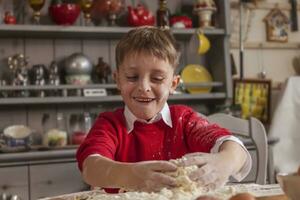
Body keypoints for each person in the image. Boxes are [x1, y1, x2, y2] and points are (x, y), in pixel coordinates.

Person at [76, 26, 251, 193]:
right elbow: (91, 167)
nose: (144, 87)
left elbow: (234, 147)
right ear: (118, 80)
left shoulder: (184, 120)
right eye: (132, 77)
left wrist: (224, 161)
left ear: (173, 84)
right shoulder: (109, 124)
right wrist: (130, 175)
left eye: (157, 78)